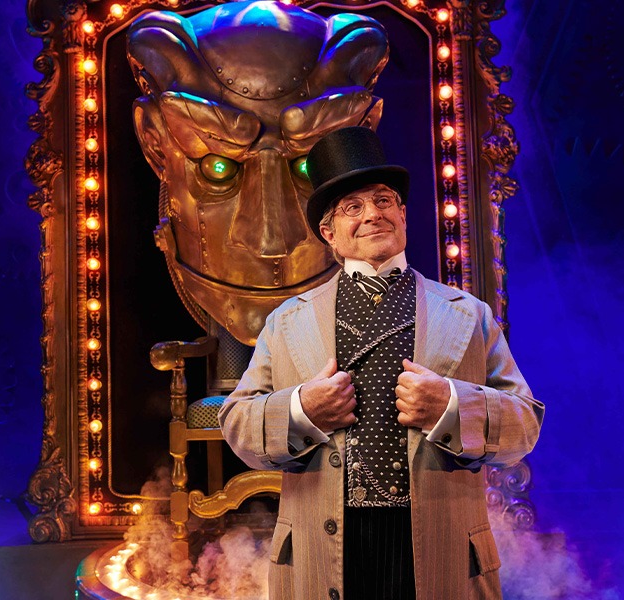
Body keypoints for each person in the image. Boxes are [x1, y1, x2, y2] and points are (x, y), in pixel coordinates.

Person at [219, 126, 544, 599]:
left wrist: (451, 407)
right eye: (353, 207)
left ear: (404, 214)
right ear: (329, 234)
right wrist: (302, 411)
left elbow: (525, 426)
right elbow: (237, 423)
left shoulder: (468, 314)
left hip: (439, 548)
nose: (373, 214)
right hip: (322, 549)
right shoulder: (287, 322)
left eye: (383, 200)